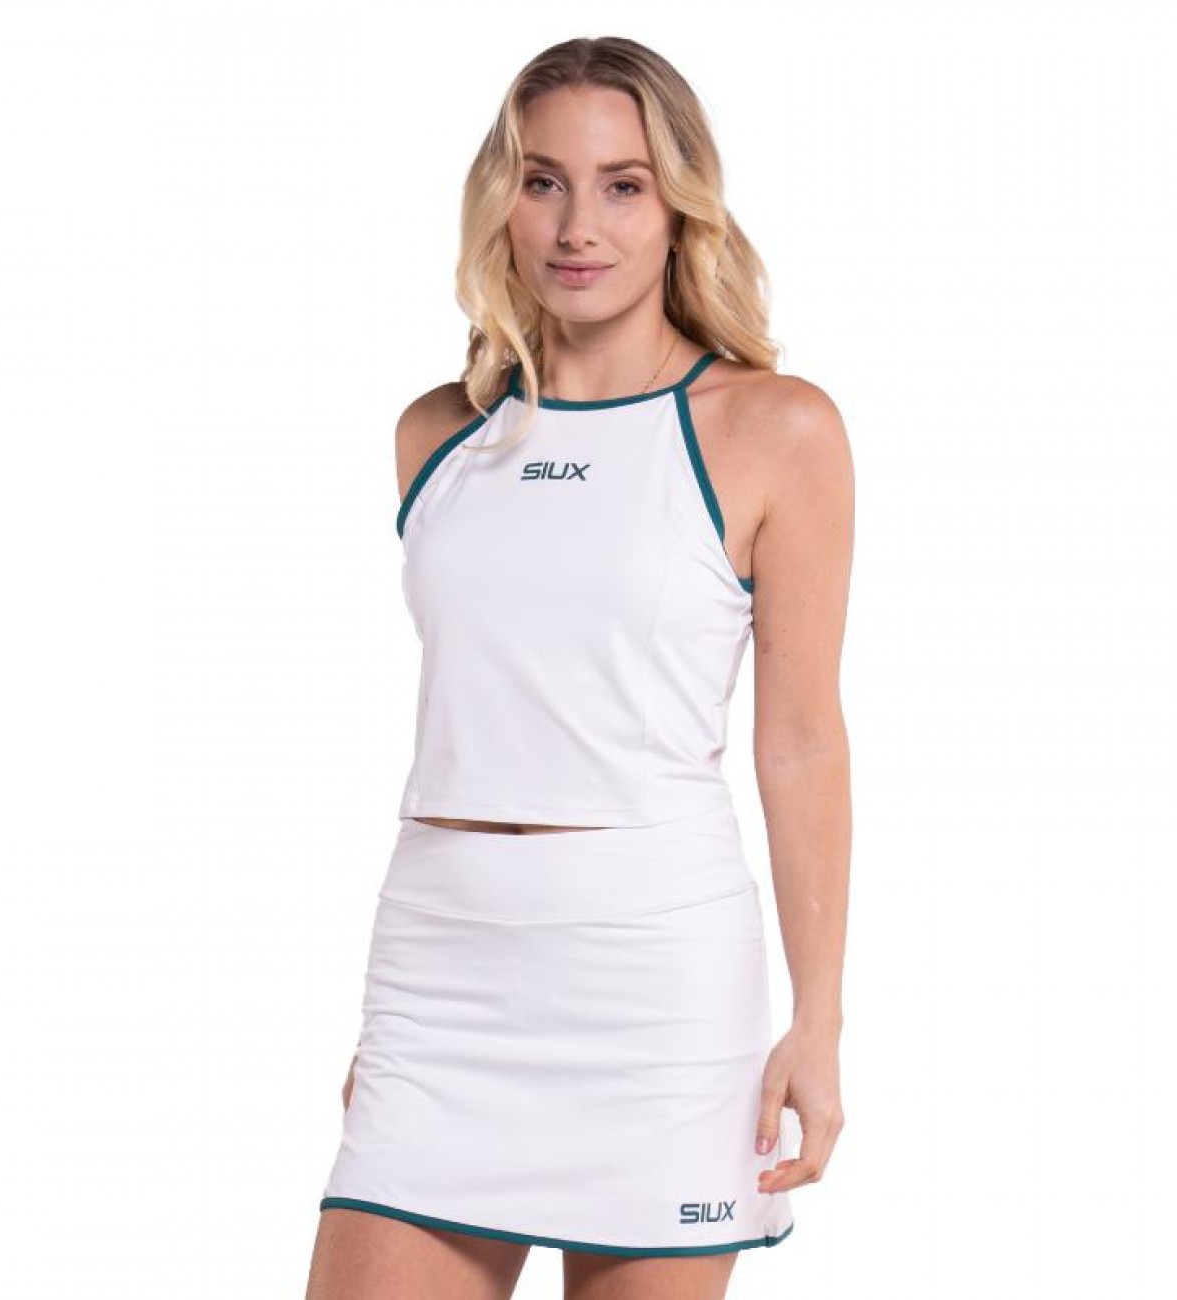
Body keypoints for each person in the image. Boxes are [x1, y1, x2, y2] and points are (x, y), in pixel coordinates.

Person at [304, 35, 853, 1300]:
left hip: (653, 983)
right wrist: (394, 1018)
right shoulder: (437, 436)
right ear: (501, 199)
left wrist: (816, 1022)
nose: (576, 226)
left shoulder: (774, 429)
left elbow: (801, 742)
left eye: (622, 185)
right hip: (440, 972)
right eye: (542, 181)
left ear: (680, 206)